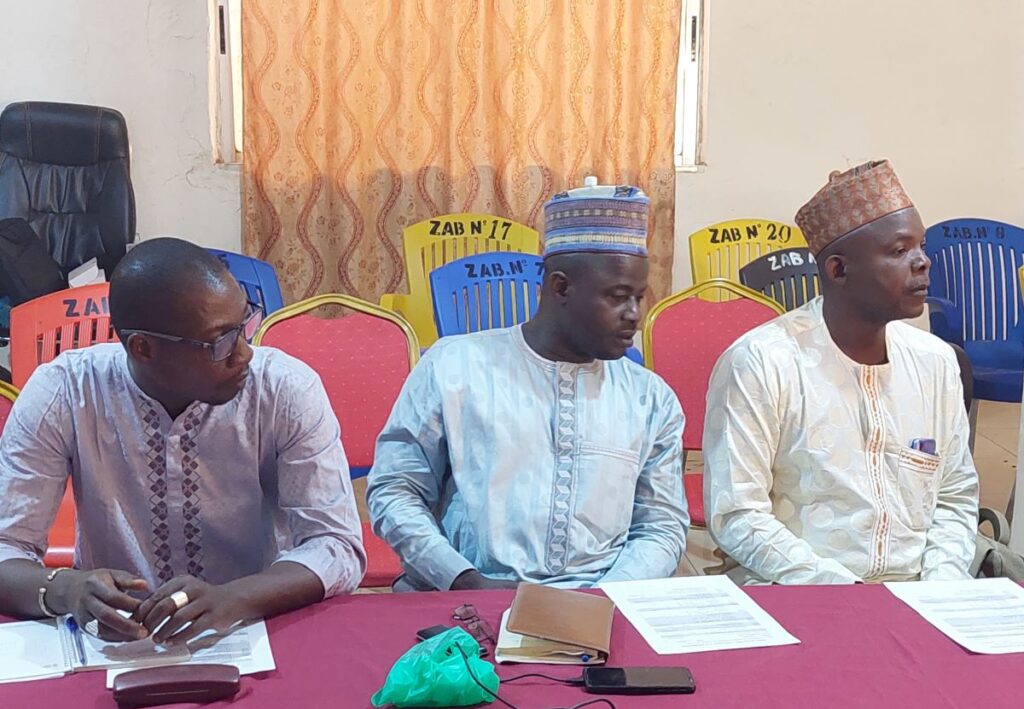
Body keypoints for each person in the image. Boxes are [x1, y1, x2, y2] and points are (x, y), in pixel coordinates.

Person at [0, 238, 365, 644]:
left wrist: (233, 599)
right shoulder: (66, 391)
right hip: (114, 644)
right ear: (143, 349)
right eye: (220, 341)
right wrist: (66, 589)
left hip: (256, 629)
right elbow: (5, 546)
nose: (244, 353)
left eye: (244, 325)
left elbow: (336, 544)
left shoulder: (283, 388)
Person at [368, 181, 688, 592]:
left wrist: (607, 598)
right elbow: (395, 490)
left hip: (605, 603)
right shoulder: (455, 367)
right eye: (618, 296)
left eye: (640, 298)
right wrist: (463, 579)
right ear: (560, 288)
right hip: (462, 599)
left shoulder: (650, 398)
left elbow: (661, 523)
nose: (634, 315)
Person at [704, 160, 979, 584]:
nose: (923, 262)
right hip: (798, 592)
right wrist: (846, 594)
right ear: (838, 270)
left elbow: (954, 496)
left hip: (923, 595)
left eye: (921, 246)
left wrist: (940, 588)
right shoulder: (762, 362)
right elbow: (738, 514)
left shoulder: (936, 363)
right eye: (899, 250)